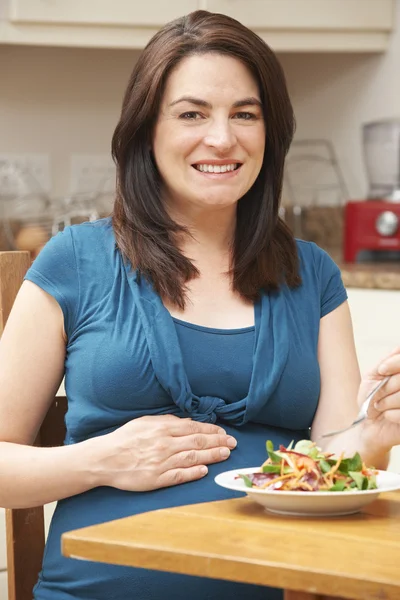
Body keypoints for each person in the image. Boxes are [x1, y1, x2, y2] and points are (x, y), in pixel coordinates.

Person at [1, 9, 400, 600]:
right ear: (147, 131)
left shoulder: (311, 273)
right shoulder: (74, 261)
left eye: (246, 114)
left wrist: (376, 433)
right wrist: (103, 462)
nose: (222, 138)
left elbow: (326, 460)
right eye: (192, 114)